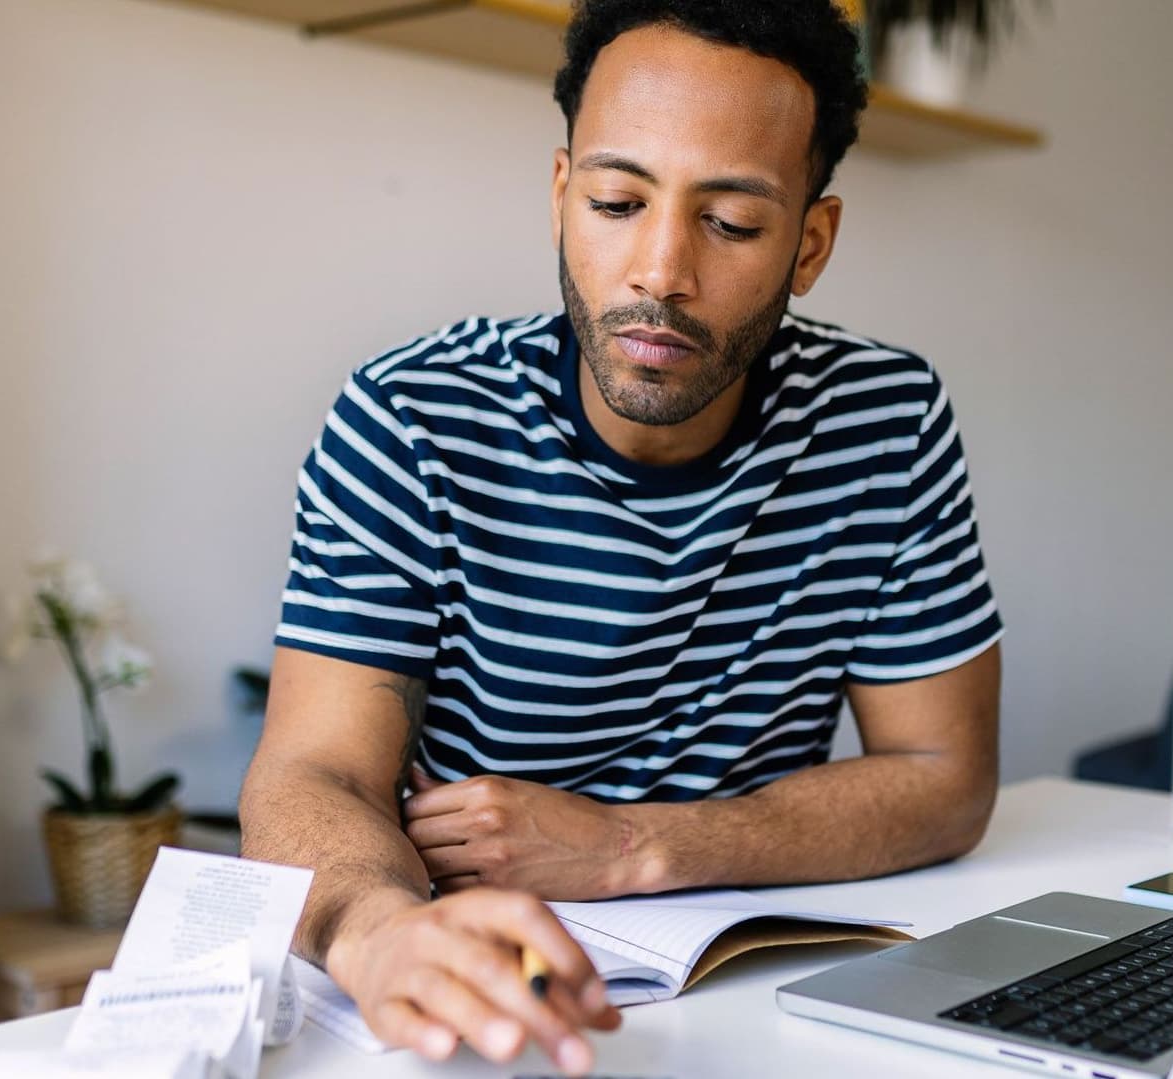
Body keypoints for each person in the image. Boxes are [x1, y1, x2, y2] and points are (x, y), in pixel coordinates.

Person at [238, 0, 1005, 1072]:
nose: (658, 270)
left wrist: (636, 845)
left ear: (810, 242)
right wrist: (378, 927)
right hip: (485, 995)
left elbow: (946, 775)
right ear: (561, 197)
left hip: (762, 991)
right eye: (616, 200)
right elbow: (315, 772)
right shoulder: (410, 417)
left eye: (731, 224)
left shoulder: (884, 416)